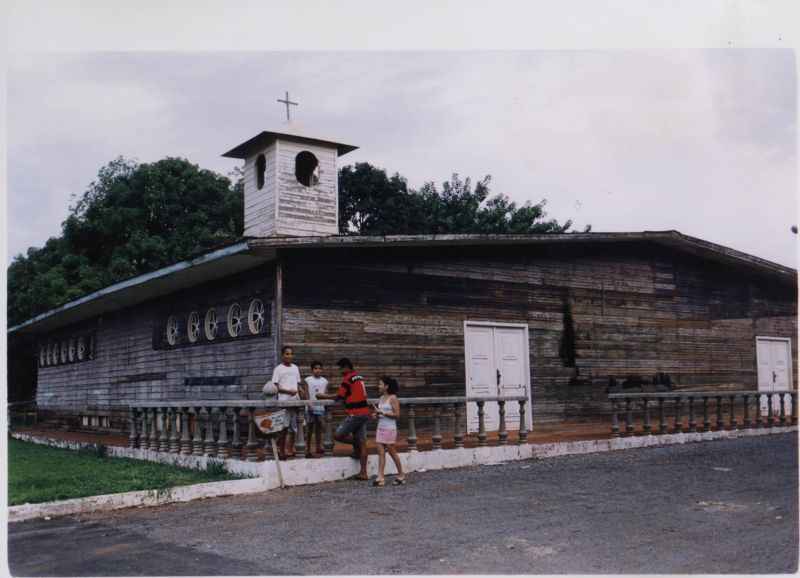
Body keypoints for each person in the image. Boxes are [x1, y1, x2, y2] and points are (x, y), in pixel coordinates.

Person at [317, 357, 370, 480]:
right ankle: (363, 472)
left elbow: (338, 397)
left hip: (355, 413)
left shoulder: (347, 379)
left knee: (338, 435)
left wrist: (322, 396)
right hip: (364, 412)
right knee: (362, 444)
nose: (340, 371)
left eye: (341, 368)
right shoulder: (359, 377)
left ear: (346, 367)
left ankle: (358, 445)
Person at [372, 376, 406, 487]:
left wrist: (383, 413)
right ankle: (380, 477)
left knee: (392, 452)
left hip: (389, 428)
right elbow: (380, 413)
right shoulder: (381, 398)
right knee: (380, 453)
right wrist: (376, 415)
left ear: (386, 386)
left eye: (380, 384)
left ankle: (401, 474)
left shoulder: (393, 398)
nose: (379, 386)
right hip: (380, 427)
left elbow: (397, 415)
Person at [270, 345, 303, 459]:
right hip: (284, 401)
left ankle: (290, 449)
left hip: (295, 401)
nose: (289, 356)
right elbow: (275, 386)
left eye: (291, 354)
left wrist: (301, 393)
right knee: (284, 427)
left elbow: (298, 384)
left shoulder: (295, 368)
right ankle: (282, 450)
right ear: (282, 355)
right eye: (287, 354)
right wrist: (288, 391)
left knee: (295, 427)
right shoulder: (278, 369)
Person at [303, 361, 328, 457]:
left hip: (320, 407)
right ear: (312, 370)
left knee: (319, 428)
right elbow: (306, 393)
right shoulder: (308, 380)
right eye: (315, 368)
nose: (318, 370)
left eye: (319, 368)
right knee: (309, 428)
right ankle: (307, 448)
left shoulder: (325, 381)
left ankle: (318, 446)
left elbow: (325, 394)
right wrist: (309, 404)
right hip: (310, 407)